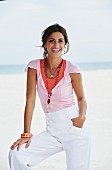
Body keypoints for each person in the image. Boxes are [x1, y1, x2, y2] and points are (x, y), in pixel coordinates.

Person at [9, 23, 91, 170]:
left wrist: (82, 117)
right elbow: (30, 100)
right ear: (45, 44)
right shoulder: (34, 67)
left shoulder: (72, 69)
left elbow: (81, 98)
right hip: (52, 130)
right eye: (52, 40)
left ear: (65, 45)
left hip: (74, 128)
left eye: (60, 40)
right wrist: (26, 133)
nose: (56, 44)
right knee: (17, 154)